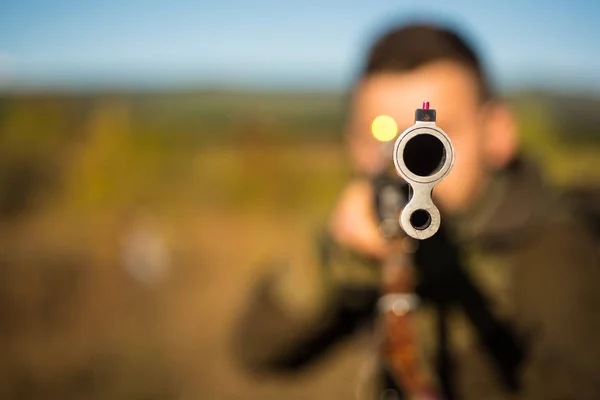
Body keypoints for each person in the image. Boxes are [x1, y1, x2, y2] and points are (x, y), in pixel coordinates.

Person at [232, 21, 600, 400]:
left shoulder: (556, 252)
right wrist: (339, 259)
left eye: (432, 137)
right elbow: (259, 349)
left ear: (498, 131)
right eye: (382, 134)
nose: (405, 159)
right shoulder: (356, 244)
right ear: (352, 142)